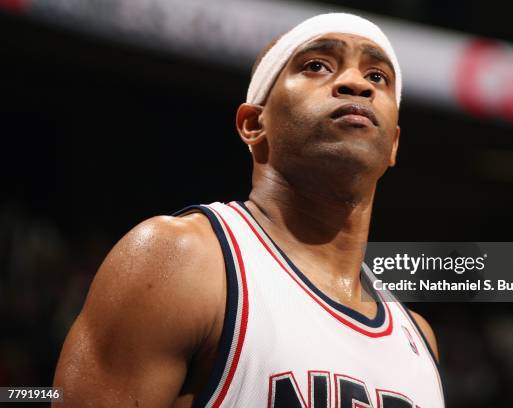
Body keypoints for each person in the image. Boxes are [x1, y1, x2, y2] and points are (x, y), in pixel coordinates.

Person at [53, 13, 444, 407]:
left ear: (393, 144)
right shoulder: (179, 260)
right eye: (317, 66)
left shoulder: (419, 339)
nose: (356, 83)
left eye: (378, 77)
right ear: (254, 123)